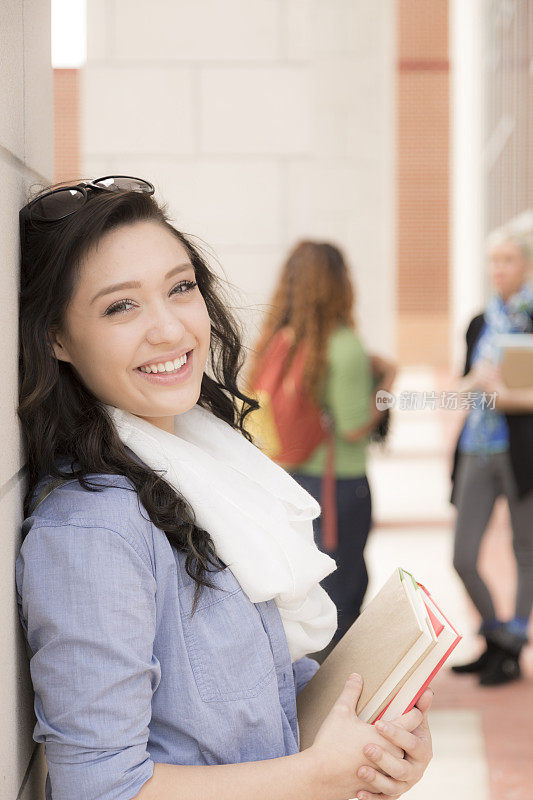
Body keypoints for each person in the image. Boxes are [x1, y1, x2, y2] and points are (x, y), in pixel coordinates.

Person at [15, 178, 432, 800]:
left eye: (180, 288)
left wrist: (378, 743)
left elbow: (249, 693)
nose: (169, 328)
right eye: (119, 306)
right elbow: (103, 789)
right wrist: (319, 775)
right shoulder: (92, 532)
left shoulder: (202, 469)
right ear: (56, 338)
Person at [246, 241, 397, 657]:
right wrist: (386, 387)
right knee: (344, 591)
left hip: (289, 481)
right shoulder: (343, 345)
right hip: (338, 487)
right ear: (339, 284)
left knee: (309, 594)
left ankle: (310, 683)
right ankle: (339, 693)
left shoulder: (279, 339)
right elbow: (352, 428)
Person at [450, 227, 533, 686]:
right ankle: (494, 636)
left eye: (507, 260)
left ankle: (512, 647)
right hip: (477, 450)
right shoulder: (479, 323)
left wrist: (505, 394)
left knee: (526, 552)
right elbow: (462, 390)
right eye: (493, 260)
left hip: (521, 452)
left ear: (526, 265)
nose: (498, 269)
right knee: (462, 555)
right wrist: (475, 382)